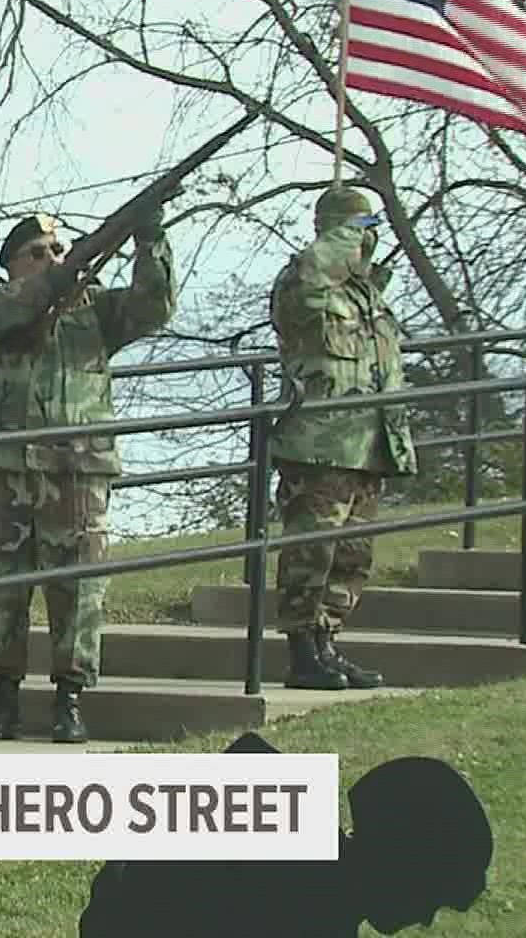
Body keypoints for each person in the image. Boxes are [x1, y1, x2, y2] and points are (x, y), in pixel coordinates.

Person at [0, 209, 177, 744]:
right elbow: (15, 308)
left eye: (58, 251)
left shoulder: (94, 310)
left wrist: (150, 241)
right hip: (11, 468)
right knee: (4, 588)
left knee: (78, 587)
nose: (52, 260)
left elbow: (154, 308)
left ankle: (69, 698)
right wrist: (66, 273)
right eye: (38, 252)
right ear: (11, 264)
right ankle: (3, 699)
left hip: (78, 468)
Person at [76, 730, 495, 937]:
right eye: (429, 898)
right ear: (400, 864)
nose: (423, 920)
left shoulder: (317, 884)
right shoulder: (305, 895)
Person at [265, 186, 417, 691]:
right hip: (320, 445)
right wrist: (339, 237)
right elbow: (311, 274)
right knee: (312, 553)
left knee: (352, 557)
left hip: (370, 443)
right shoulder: (303, 286)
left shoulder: (370, 296)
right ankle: (302, 651)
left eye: (370, 232)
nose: (365, 244)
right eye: (356, 232)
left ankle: (328, 644)